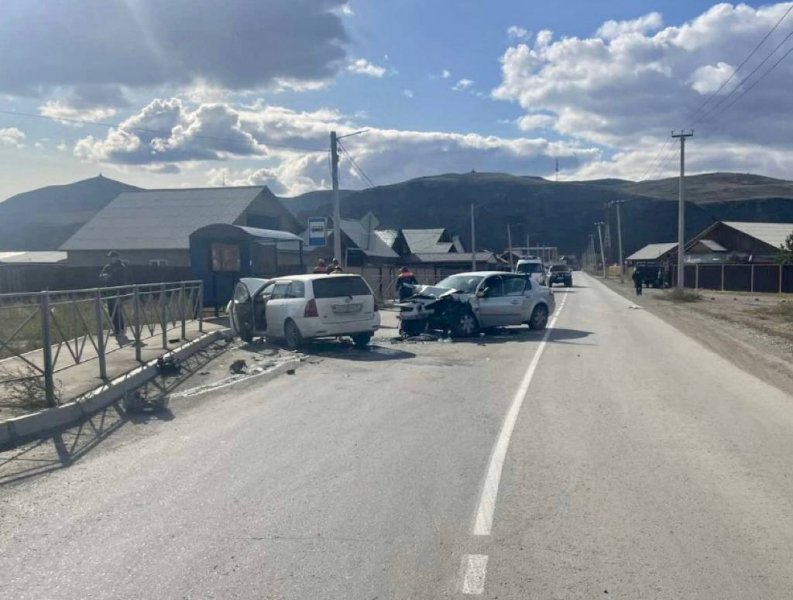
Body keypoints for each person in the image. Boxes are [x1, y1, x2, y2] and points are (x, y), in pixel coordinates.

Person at [99, 251, 128, 336]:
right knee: (111, 311)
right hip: (109, 291)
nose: (111, 259)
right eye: (110, 257)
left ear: (117, 257)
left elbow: (121, 279)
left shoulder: (121, 266)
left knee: (118, 310)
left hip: (118, 291)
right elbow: (101, 276)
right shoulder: (108, 266)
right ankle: (116, 329)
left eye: (113, 257)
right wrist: (103, 277)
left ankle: (121, 329)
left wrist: (110, 277)